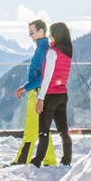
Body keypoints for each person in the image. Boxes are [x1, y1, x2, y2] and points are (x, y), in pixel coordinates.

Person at [12, 19, 57, 166]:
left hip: (38, 93)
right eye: (29, 32)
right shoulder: (42, 48)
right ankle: (50, 161)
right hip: (37, 92)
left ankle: (22, 161)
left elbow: (44, 77)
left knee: (30, 129)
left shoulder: (44, 50)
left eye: (32, 32)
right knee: (41, 129)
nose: (30, 35)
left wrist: (25, 87)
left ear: (41, 32)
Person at [32, 21, 74, 167]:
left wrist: (40, 98)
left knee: (44, 131)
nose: (49, 35)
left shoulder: (52, 53)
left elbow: (47, 77)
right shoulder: (68, 52)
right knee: (63, 130)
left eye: (51, 32)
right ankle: (67, 160)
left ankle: (36, 162)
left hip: (50, 96)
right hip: (62, 95)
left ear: (56, 34)